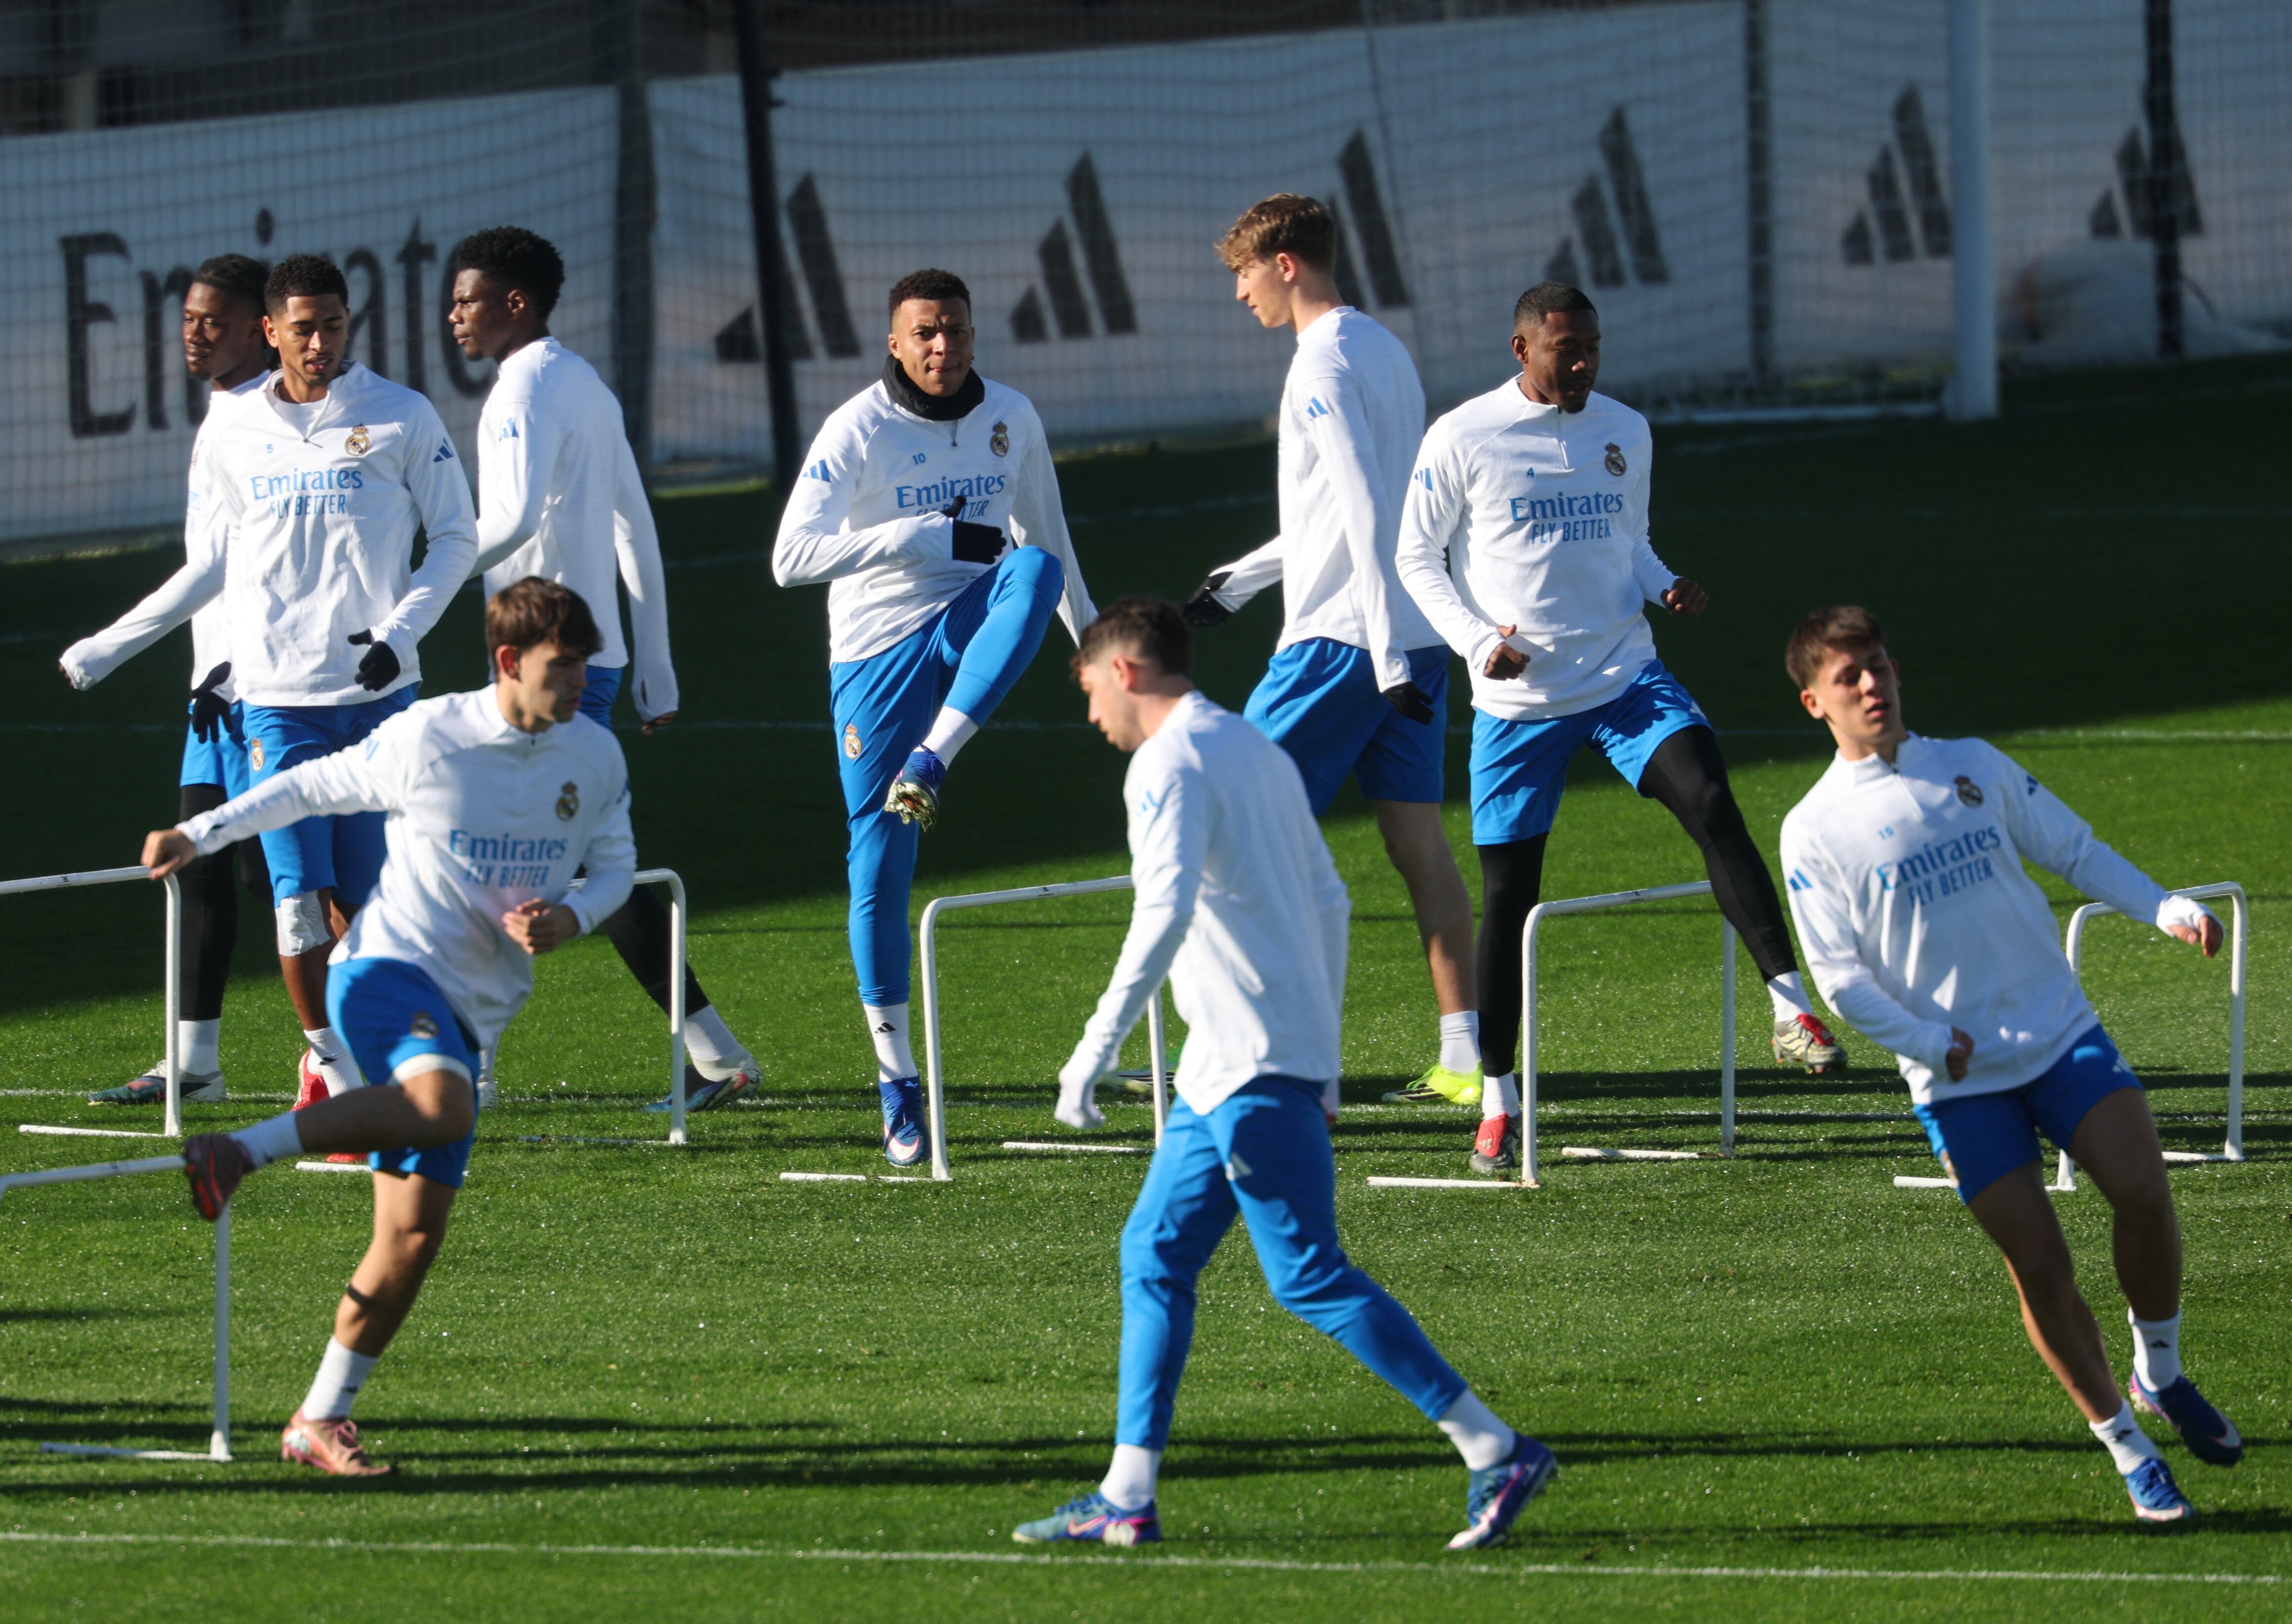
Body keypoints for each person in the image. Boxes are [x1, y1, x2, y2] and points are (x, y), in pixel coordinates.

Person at [1019, 598, 1553, 1552]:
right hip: (1235, 1070)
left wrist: (1093, 1048)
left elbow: (1163, 912)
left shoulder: (1166, 766)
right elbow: (1331, 897)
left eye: (1090, 688)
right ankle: (1127, 1494)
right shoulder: (1255, 749)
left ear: (1125, 672)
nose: (1091, 713)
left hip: (1247, 1066)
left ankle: (1493, 1447)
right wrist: (1324, 1058)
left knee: (1307, 1273)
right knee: (1153, 1255)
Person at [158, 579, 636, 1476]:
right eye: (562, 666)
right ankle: (240, 1152)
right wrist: (205, 831)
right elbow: (307, 786)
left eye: (583, 663)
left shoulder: (596, 756)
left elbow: (617, 862)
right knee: (444, 1104)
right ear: (508, 662)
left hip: (471, 1008)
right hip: (384, 975)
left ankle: (317, 1420)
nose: (580, 681)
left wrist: (572, 916)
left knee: (411, 1236)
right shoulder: (432, 737)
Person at [1778, 605, 2238, 1523]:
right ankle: (2127, 1445)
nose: (1871, 685)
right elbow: (1838, 979)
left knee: (2145, 1191)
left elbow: (2073, 848)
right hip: (1956, 1080)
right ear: (1813, 703)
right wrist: (1926, 1043)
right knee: (2040, 1262)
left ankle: (2162, 1370)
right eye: (1848, 678)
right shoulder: (1813, 829)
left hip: (2059, 1031)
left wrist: (2163, 907)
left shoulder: (1974, 765)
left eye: (1877, 666)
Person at [1395, 281, 1845, 1177]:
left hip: (1625, 677)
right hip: (1518, 708)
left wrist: (1664, 582)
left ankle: (1791, 1008)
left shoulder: (1625, 430)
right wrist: (1479, 640)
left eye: (1593, 346)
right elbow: (1415, 555)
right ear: (1521, 348)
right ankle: (1495, 1098)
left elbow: (1630, 540)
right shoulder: (1462, 437)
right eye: (1566, 349)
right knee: (1512, 900)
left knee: (1712, 799)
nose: (1584, 363)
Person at [108, 254, 482, 1115]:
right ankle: (335, 1070)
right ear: (270, 332)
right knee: (295, 901)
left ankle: (409, 1039)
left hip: (381, 701)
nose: (320, 342)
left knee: (372, 900)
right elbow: (215, 566)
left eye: (335, 324)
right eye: (303, 328)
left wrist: (400, 634)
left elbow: (456, 538)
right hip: (276, 703)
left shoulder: (401, 415)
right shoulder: (232, 434)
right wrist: (197, 666)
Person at [771, 268, 1095, 1167]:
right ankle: (895, 1078)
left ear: (974, 333)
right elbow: (790, 558)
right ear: (894, 341)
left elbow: (1051, 540)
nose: (942, 347)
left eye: (954, 330)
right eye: (924, 333)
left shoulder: (1013, 419)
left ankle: (937, 757)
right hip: (876, 654)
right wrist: (921, 537)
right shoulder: (858, 428)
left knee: (1033, 572)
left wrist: (1098, 648)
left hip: (972, 625)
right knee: (878, 857)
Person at [1178, 195, 1482, 1111]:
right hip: (1410, 638)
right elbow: (1354, 510)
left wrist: (1382, 652)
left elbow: (1362, 506)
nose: (1238, 293)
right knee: (1416, 839)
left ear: (1285, 264)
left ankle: (1271, 1062)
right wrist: (1243, 578)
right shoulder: (1384, 348)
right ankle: (1465, 1056)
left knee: (1236, 833)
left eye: (1243, 272)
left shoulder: (1319, 361)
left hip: (1347, 645)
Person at [449, 225, 759, 1113]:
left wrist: (415, 580)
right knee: (562, 862)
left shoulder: (520, 392)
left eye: (467, 298)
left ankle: (470, 1066)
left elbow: (504, 523)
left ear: (516, 303)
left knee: (524, 860)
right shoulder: (583, 382)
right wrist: (651, 662)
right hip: (597, 663)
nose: (452, 315)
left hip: (549, 672)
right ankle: (717, 1055)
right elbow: (636, 526)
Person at [59, 254, 273, 1105]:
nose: (194, 332)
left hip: (268, 686)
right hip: (215, 691)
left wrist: (106, 646)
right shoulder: (225, 413)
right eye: (188, 318)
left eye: (214, 320)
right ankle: (194, 1064)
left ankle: (364, 1062)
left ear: (260, 327)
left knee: (296, 884)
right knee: (201, 867)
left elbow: (214, 567)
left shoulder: (259, 421)